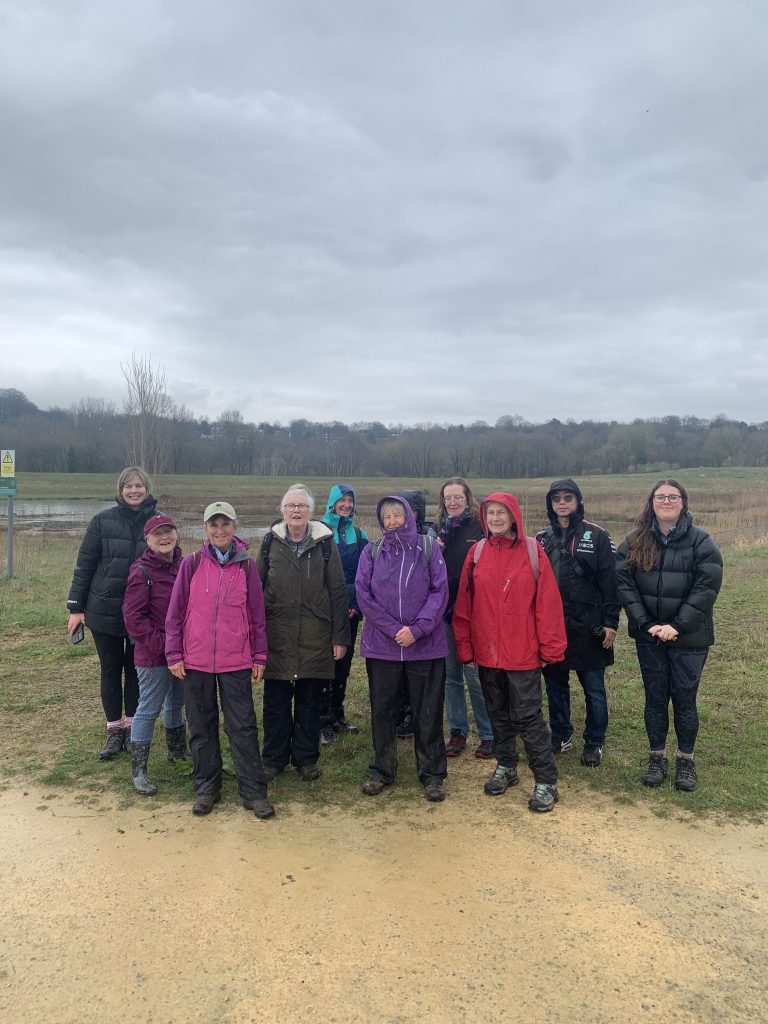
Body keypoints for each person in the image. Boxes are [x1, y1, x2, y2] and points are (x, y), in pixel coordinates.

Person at [452, 493, 567, 813]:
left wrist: (551, 647)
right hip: (487, 653)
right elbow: (464, 605)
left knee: (528, 717)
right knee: (497, 713)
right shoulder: (476, 553)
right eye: (491, 514)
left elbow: (547, 602)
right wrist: (465, 645)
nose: (496, 518)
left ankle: (546, 781)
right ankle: (507, 766)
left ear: (514, 516)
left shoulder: (533, 552)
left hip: (522, 652)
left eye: (502, 513)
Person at [165, 501, 274, 819]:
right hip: (195, 661)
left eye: (225, 524)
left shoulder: (246, 567)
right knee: (201, 726)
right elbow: (175, 614)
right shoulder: (192, 563)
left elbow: (257, 615)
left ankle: (253, 792)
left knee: (242, 727)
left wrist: (260, 654)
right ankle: (206, 788)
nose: (220, 530)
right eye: (214, 524)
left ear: (235, 528)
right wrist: (174, 653)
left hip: (236, 660)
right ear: (205, 529)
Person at [616, 480, 723, 792]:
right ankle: (656, 757)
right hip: (649, 635)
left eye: (672, 497)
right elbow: (623, 581)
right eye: (660, 497)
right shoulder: (635, 540)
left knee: (685, 698)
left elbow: (707, 587)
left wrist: (677, 625)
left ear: (683, 503)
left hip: (689, 637)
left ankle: (685, 760)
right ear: (651, 503)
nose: (666, 501)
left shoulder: (701, 540)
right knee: (655, 696)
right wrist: (646, 622)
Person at [355, 496, 449, 802]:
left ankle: (432, 774)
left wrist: (418, 629)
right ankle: (381, 770)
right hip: (383, 646)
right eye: (387, 516)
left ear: (409, 515)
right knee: (383, 711)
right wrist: (395, 630)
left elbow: (439, 592)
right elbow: (364, 594)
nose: (393, 520)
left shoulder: (429, 548)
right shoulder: (372, 551)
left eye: (398, 514)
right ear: (380, 521)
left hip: (425, 647)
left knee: (427, 711)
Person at [257, 485, 350, 781]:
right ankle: (273, 759)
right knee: (276, 705)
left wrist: (340, 637)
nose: (296, 511)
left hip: (315, 637)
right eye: (291, 506)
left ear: (311, 511)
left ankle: (306, 759)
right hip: (278, 638)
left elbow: (337, 591)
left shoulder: (325, 544)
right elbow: (255, 592)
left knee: (311, 704)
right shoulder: (270, 542)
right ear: (282, 511)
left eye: (302, 506)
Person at [66, 467, 158, 760]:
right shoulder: (101, 521)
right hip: (103, 609)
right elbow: (85, 564)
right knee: (110, 669)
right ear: (120, 490)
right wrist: (76, 608)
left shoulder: (157, 523)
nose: (134, 491)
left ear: (147, 489)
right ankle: (114, 730)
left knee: (135, 669)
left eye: (139, 486)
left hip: (141, 613)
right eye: (128, 486)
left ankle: (132, 727)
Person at [536, 479, 620, 767]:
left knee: (593, 687)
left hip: (589, 626)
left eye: (567, 497)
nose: (562, 502)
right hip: (552, 628)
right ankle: (561, 735)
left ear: (578, 501)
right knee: (555, 686)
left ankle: (595, 742)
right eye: (556, 498)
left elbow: (611, 582)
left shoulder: (598, 535)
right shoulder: (540, 538)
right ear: (550, 503)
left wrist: (611, 622)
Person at [122, 514, 188, 796]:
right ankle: (138, 770)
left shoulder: (184, 565)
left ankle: (178, 753)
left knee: (176, 703)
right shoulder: (142, 573)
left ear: (176, 534)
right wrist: (165, 645)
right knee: (149, 708)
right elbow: (134, 619)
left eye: (169, 532)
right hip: (153, 655)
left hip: (182, 652)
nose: (165, 538)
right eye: (158, 533)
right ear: (147, 540)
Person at [436, 477, 494, 760]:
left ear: (468, 497)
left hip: (474, 614)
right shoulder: (439, 531)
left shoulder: (481, 527)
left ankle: (488, 734)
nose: (453, 502)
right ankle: (457, 732)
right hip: (445, 613)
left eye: (458, 497)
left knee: (476, 677)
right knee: (451, 677)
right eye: (448, 498)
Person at [319, 483, 369, 744]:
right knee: (326, 664)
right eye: (342, 500)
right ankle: (321, 720)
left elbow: (366, 575)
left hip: (352, 611)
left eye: (350, 500)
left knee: (344, 664)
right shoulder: (319, 532)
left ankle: (338, 714)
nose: (347, 505)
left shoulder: (360, 536)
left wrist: (357, 605)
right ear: (332, 503)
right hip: (325, 612)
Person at [394, 488, 437, 739]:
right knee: (397, 670)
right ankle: (400, 712)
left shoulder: (428, 538)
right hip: (397, 616)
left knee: (418, 671)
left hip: (421, 616)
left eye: (410, 510)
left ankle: (414, 715)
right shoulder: (389, 538)